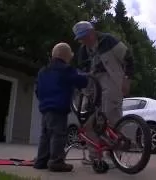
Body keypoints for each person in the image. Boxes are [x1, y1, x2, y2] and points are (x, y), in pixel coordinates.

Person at [72, 21, 134, 160]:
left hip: (111, 79)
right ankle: (94, 156)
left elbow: (128, 57)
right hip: (92, 84)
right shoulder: (82, 51)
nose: (83, 40)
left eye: (85, 36)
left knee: (111, 117)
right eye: (80, 38)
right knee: (88, 119)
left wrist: (127, 79)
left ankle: (113, 156)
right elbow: (82, 71)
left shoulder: (109, 41)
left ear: (92, 32)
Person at [33, 42, 88, 172]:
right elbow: (81, 81)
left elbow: (37, 90)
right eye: (70, 56)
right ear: (65, 56)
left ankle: (41, 161)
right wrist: (86, 76)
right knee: (58, 134)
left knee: (45, 135)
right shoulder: (66, 69)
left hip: (45, 108)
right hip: (58, 108)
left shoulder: (43, 71)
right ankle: (57, 161)